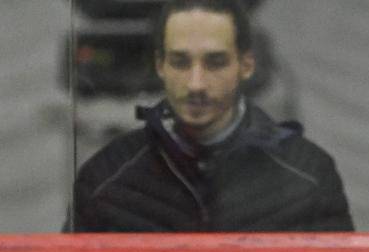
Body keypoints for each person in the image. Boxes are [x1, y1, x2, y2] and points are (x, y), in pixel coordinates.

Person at [69, 0, 354, 232]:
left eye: (215, 62)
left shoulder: (307, 175)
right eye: (180, 62)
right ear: (161, 68)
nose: (197, 83)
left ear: (246, 66)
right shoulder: (104, 179)